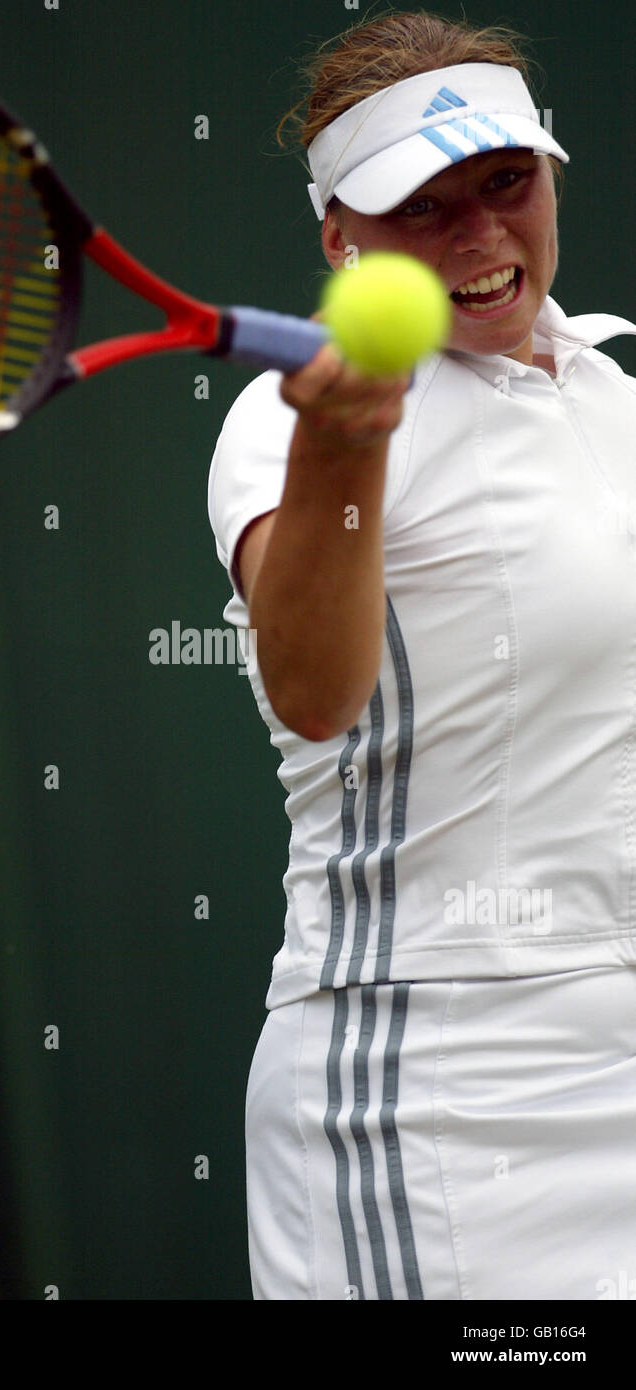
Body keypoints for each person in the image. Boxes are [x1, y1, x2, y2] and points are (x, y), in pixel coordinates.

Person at [207, 9, 636, 1301]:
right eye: (420, 205)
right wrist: (341, 446)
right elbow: (313, 690)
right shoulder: (277, 426)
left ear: (549, 175)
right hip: (429, 1082)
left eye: (504, 183)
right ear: (340, 239)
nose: (478, 236)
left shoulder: (614, 402)